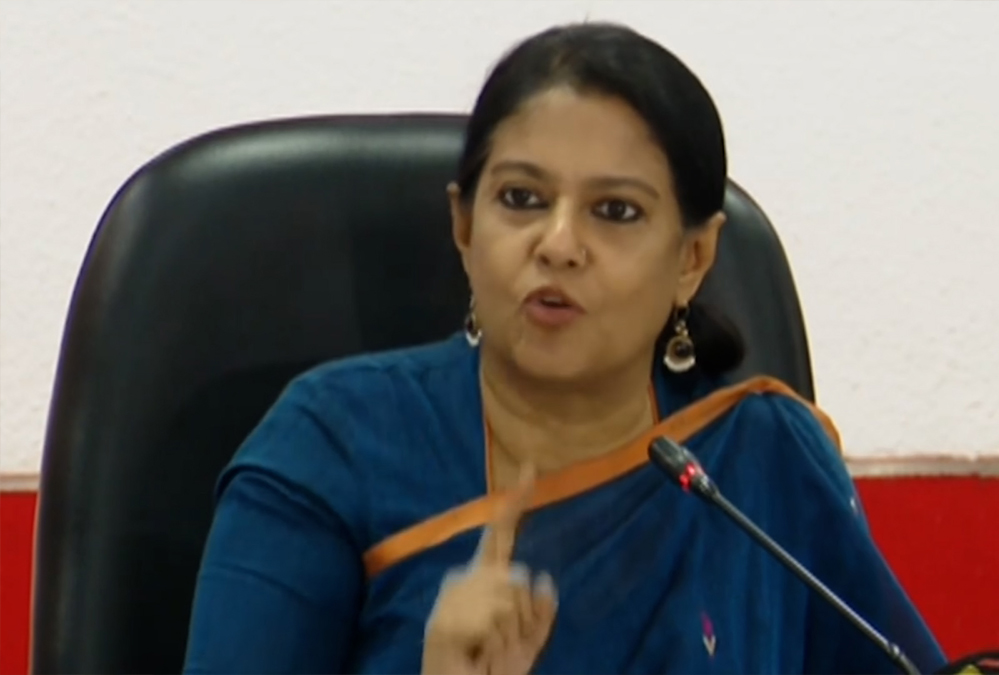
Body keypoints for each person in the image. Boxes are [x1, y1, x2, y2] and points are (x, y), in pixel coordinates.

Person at [183, 21, 945, 675]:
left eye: (615, 211)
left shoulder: (760, 461)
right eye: (521, 199)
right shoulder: (331, 444)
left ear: (693, 258)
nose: (558, 243)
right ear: (464, 225)